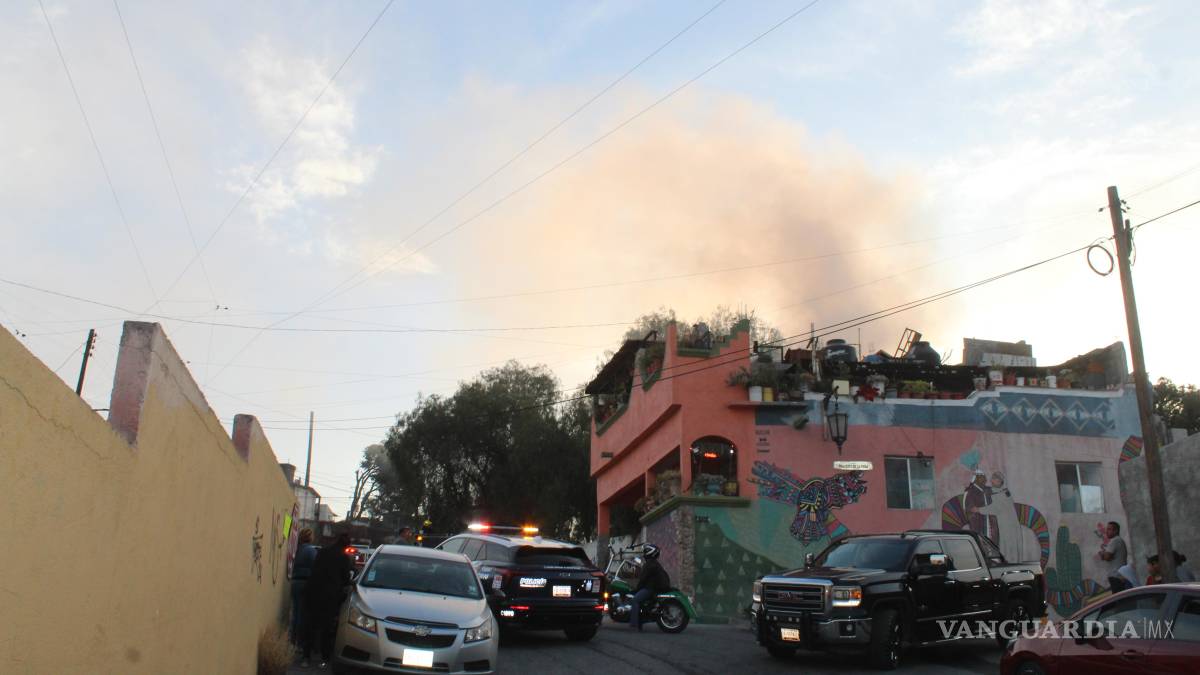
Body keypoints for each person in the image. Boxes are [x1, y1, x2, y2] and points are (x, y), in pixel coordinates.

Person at [302, 533, 353, 668]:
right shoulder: (343, 557)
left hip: (313, 591)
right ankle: (324, 658)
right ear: (346, 546)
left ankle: (306, 657)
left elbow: (315, 569)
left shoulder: (322, 551)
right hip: (330, 596)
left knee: (310, 625)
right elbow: (346, 578)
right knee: (326, 628)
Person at [630, 543, 670, 632]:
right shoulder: (654, 563)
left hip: (650, 589)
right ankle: (639, 621)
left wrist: (636, 590)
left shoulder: (649, 564)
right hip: (654, 588)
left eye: (645, 551)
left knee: (635, 600)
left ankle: (634, 624)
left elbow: (643, 579)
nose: (644, 553)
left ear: (649, 553)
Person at [289, 529, 319, 646]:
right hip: (304, 583)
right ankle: (300, 641)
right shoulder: (310, 551)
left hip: (295, 582)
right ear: (309, 537)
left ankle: (293, 638)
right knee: (302, 613)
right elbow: (316, 566)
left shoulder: (296, 549)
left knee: (296, 612)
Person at [1098, 521, 1128, 593]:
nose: (1106, 531)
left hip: (1116, 576)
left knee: (1119, 600)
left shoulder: (1115, 540)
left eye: (1109, 529)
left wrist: (1102, 554)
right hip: (1120, 576)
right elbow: (1108, 556)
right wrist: (1105, 555)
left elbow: (1107, 557)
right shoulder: (1119, 540)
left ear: (1115, 531)